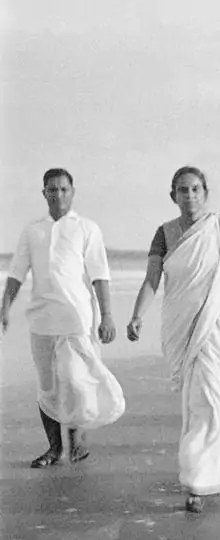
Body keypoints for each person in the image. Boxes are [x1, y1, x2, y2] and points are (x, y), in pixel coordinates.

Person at [126, 166, 220, 513]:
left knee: (213, 399)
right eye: (183, 190)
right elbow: (152, 280)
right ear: (173, 196)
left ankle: (200, 480)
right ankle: (197, 474)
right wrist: (137, 315)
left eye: (196, 189)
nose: (190, 196)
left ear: (205, 193)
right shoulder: (164, 233)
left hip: (219, 323)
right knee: (195, 401)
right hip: (180, 326)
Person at [1, 168, 125, 469]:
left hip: (77, 319)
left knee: (74, 379)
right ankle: (54, 448)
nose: (58, 194)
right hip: (42, 319)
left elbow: (100, 275)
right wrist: (5, 306)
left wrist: (107, 316)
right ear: (43, 193)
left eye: (63, 189)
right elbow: (17, 272)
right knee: (47, 387)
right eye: (52, 189)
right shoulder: (33, 231)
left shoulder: (87, 228)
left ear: (72, 191)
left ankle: (77, 437)